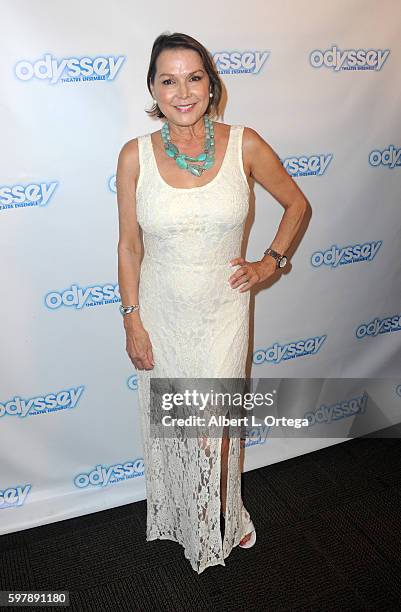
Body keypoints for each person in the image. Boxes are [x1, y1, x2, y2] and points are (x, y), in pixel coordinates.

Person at [116, 32, 308, 574]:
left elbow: (296, 204)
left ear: (211, 83)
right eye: (169, 80)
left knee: (215, 429)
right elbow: (130, 246)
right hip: (162, 310)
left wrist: (270, 263)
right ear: (153, 88)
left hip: (223, 310)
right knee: (182, 424)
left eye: (194, 77)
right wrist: (132, 321)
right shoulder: (134, 156)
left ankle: (223, 517)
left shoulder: (245, 143)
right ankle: (194, 515)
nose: (183, 91)